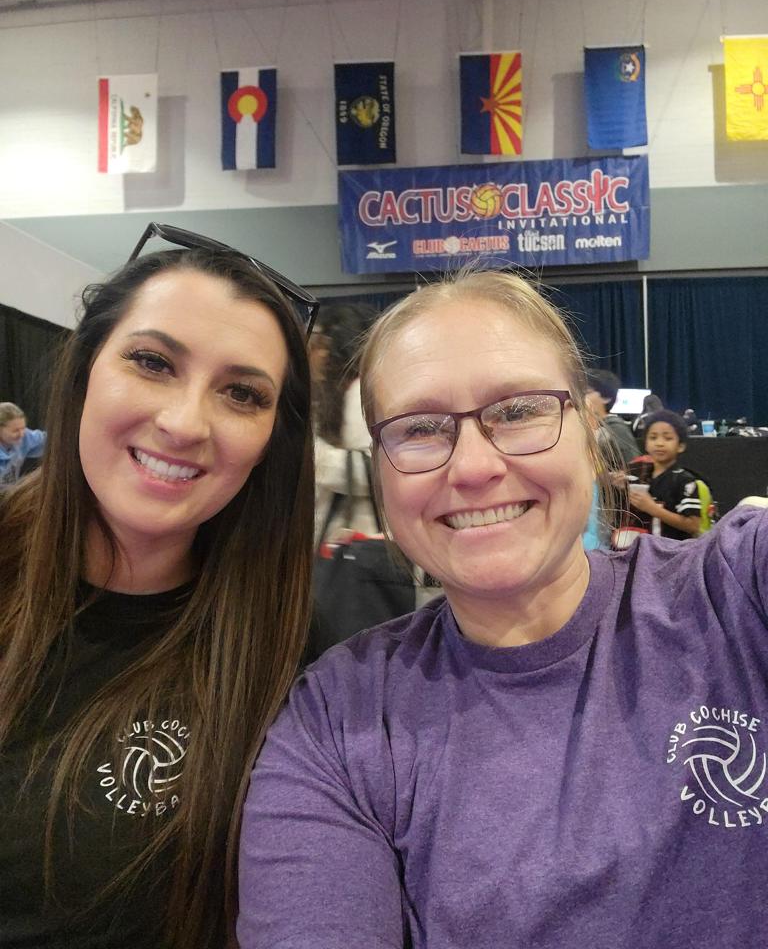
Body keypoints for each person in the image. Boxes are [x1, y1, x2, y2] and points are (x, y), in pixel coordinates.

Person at [238, 267, 768, 949]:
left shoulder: (735, 592)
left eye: (517, 412)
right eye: (419, 428)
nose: (472, 468)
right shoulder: (340, 720)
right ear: (381, 469)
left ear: (588, 431)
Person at [0, 233, 316, 948]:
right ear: (84, 371)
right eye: (152, 362)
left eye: (242, 393)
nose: (183, 423)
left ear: (273, 439)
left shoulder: (294, 656)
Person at [311, 302, 379, 545]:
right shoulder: (331, 394)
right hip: (339, 537)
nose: (316, 353)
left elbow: (377, 471)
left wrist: (314, 459)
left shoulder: (360, 393)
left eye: (322, 344)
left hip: (361, 538)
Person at [628, 409, 701, 539]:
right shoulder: (641, 476)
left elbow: (694, 525)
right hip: (645, 549)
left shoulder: (684, 480)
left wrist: (651, 508)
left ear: (681, 446)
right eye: (653, 437)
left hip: (674, 549)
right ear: (646, 444)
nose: (659, 443)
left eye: (668, 438)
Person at [584, 369, 639, 467]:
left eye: (587, 392)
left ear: (606, 397)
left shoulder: (616, 429)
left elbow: (632, 466)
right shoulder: (587, 427)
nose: (582, 397)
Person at [0, 401, 46, 484]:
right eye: (15, 431)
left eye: (23, 428)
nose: (21, 434)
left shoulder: (24, 437)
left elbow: (47, 441)